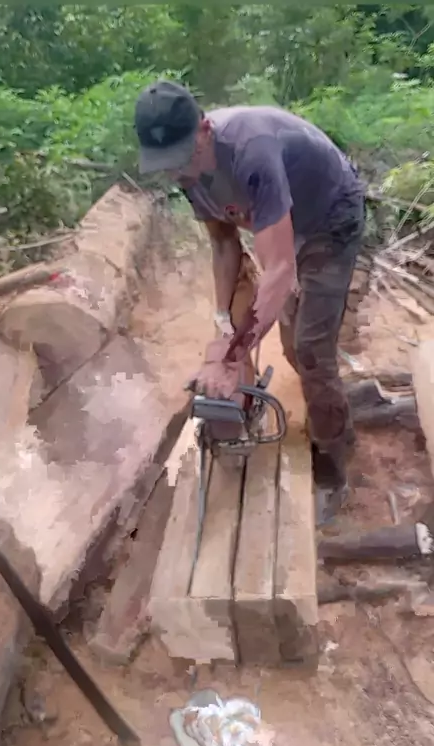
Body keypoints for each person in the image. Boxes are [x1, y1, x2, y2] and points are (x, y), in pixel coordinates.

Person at [133, 79, 366, 525]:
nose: (178, 173)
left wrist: (234, 355)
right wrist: (224, 325)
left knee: (311, 350)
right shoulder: (189, 173)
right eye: (167, 165)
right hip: (288, 227)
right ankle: (339, 404)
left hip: (330, 216)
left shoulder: (251, 152)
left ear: (205, 130)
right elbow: (224, 244)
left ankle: (334, 466)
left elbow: (279, 270)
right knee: (293, 346)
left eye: (184, 159)